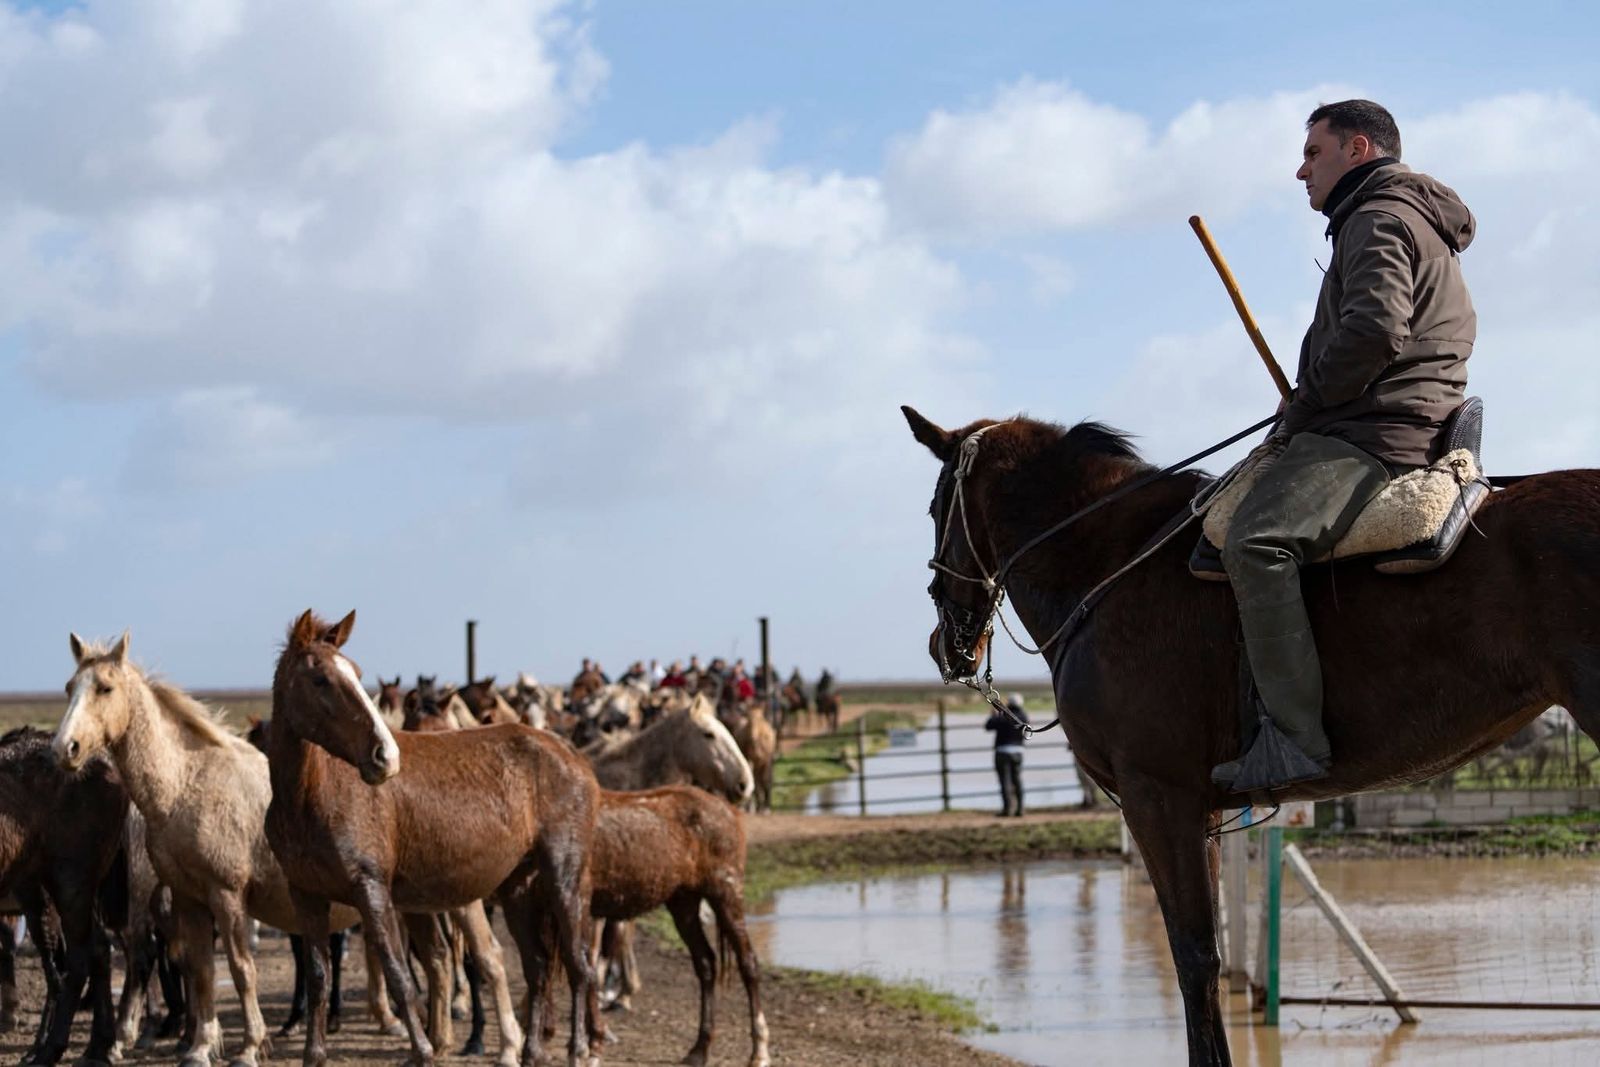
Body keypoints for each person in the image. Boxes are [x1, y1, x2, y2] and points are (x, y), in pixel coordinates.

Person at [1213, 100, 1476, 793]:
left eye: (1312, 153)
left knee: (1254, 542)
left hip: (1372, 431)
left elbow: (1375, 331)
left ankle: (1296, 738)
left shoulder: (1377, 218)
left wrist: (1305, 404)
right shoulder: (1408, 216)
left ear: (1357, 148)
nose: (1300, 171)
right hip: (1388, 417)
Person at [985, 693, 1029, 817]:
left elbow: (988, 726)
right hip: (1018, 752)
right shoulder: (1023, 716)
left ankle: (1007, 809)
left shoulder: (1003, 716)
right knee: (1017, 780)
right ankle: (1020, 809)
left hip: (1002, 752)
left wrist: (993, 715)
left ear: (1009, 703)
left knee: (1005, 781)